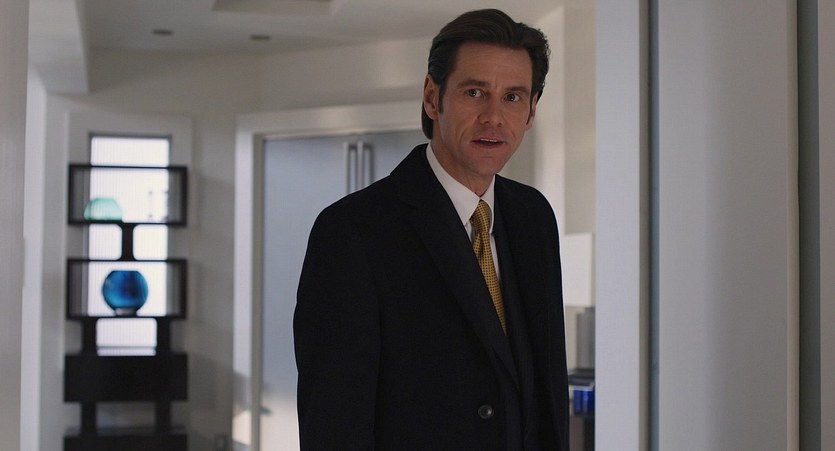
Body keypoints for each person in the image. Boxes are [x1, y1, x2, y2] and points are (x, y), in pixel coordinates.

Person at [294, 8, 568, 450]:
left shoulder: (534, 216)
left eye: (513, 97)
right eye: (475, 92)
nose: (494, 117)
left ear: (532, 110)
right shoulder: (352, 232)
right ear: (431, 96)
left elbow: (547, 393)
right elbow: (334, 424)